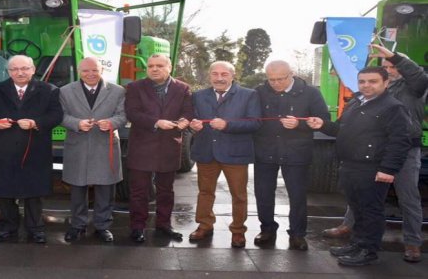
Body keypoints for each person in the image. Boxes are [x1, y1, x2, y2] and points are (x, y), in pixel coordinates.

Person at [322, 44, 427, 262]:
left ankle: (412, 242)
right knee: (363, 198)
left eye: (393, 66)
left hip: (405, 151)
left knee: (407, 198)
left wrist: (394, 56)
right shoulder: (368, 94)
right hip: (374, 153)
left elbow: (417, 76)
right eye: (386, 66)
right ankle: (350, 230)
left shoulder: (413, 87)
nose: (390, 69)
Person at [307, 66, 411, 266]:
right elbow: (341, 129)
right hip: (350, 165)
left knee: (371, 211)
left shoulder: (392, 107)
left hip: (372, 168)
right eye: (362, 81)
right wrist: (322, 124)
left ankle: (368, 250)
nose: (366, 85)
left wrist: (388, 170)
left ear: (385, 83)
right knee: (357, 208)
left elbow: (399, 141)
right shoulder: (356, 102)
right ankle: (357, 243)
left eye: (372, 81)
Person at [0, 55, 63, 244]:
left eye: (24, 68)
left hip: (35, 149)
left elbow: (56, 115)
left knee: (34, 192)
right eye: (14, 69)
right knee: (5, 192)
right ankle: (8, 228)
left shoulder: (49, 91)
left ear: (33, 70)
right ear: (8, 72)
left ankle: (36, 229)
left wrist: (35, 123)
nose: (20, 72)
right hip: (4, 150)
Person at [252, 60, 330, 251]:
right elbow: (251, 117)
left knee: (297, 195)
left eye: (280, 79)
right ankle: (267, 229)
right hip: (265, 150)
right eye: (271, 79)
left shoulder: (311, 93)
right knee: (263, 193)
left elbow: (323, 121)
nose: (276, 83)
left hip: (297, 151)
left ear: (291, 74)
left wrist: (300, 125)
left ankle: (297, 234)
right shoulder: (259, 92)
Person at [188, 61, 261, 248]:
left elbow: (255, 123)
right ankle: (204, 225)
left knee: (239, 195)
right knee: (205, 192)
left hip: (235, 154)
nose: (219, 78)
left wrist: (227, 125)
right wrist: (193, 126)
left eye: (224, 74)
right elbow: (192, 119)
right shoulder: (198, 95)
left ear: (232, 75)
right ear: (209, 75)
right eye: (215, 74)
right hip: (206, 152)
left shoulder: (249, 95)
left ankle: (238, 230)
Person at [124, 53, 193, 242]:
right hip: (141, 146)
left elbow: (188, 112)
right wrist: (156, 122)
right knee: (139, 191)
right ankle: (137, 227)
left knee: (166, 190)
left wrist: (184, 121)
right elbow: (132, 113)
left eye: (159, 65)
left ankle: (164, 224)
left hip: (169, 146)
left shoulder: (183, 88)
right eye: (151, 66)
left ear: (169, 67)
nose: (154, 69)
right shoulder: (134, 87)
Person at [59, 57, 127, 243]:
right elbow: (60, 115)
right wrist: (76, 123)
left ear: (102, 70)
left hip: (105, 145)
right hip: (77, 145)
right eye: (85, 71)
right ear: (79, 71)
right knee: (77, 187)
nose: (90, 74)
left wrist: (111, 123)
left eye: (94, 70)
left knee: (106, 188)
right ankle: (77, 225)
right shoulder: (65, 91)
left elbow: (123, 115)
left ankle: (102, 226)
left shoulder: (118, 91)